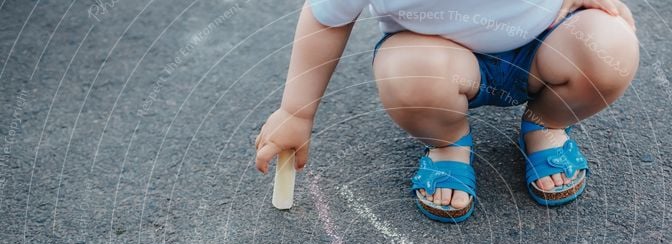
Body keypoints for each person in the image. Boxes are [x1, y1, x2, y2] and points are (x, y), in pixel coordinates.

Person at [255, 0, 639, 223]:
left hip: (543, 44)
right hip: (437, 61)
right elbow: (325, 20)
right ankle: (448, 142)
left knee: (611, 49)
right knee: (408, 73)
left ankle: (546, 124)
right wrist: (296, 111)